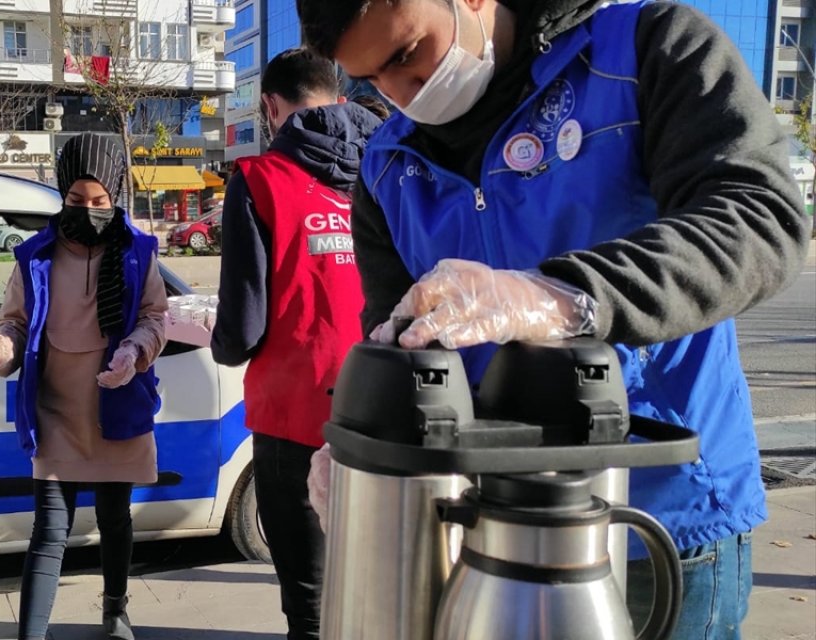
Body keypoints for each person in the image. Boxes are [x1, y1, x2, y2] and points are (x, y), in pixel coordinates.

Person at [297, 0, 811, 637]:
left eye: (406, 55)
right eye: (371, 80)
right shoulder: (386, 169)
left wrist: (562, 296)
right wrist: (360, 448)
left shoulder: (645, 51)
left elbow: (758, 220)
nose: (403, 95)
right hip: (488, 528)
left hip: (664, 523)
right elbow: (405, 352)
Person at [0, 133, 168, 640]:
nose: (88, 210)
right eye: (76, 201)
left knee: (114, 517)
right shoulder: (35, 255)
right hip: (55, 411)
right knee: (49, 532)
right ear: (62, 195)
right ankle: (31, 634)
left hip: (116, 406)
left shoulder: (140, 253)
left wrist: (133, 352)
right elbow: (14, 324)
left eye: (99, 201)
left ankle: (115, 611)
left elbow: (155, 318)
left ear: (115, 195)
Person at [211, 48, 381, 640]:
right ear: (337, 98)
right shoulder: (385, 170)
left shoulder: (259, 180)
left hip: (295, 419)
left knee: (310, 601)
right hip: (383, 414)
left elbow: (243, 329)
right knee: (378, 592)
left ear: (269, 106)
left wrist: (216, 340)